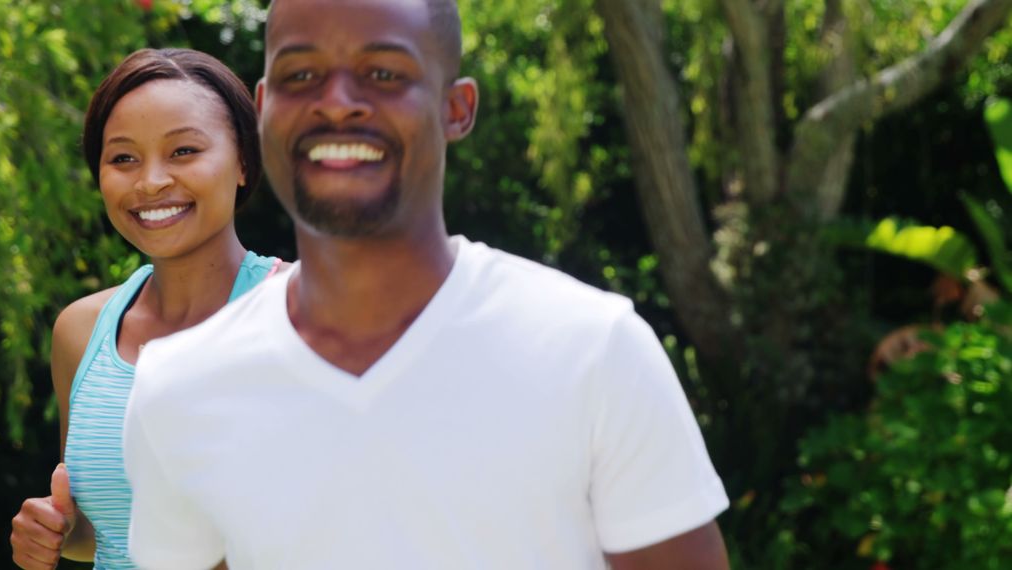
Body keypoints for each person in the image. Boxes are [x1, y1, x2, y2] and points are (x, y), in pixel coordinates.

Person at [123, 0, 731, 568]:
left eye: (383, 74)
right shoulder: (177, 387)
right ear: (262, 107)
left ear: (456, 107)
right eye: (301, 76)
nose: (336, 103)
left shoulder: (593, 350)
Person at [9, 48, 282, 570]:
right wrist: (56, 531)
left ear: (244, 161)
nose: (151, 181)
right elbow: (103, 530)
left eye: (183, 151)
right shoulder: (81, 331)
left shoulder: (301, 314)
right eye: (124, 158)